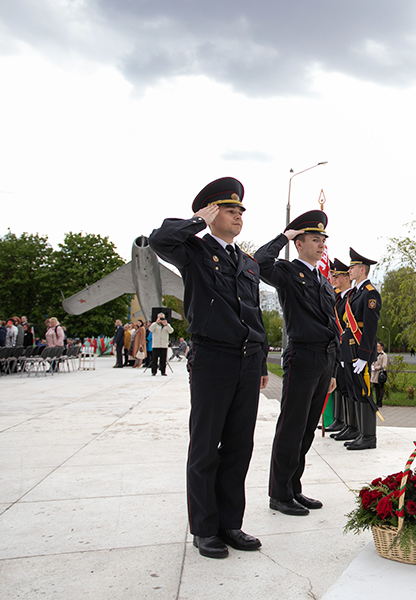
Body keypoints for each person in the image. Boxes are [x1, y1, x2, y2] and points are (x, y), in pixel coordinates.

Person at [149, 176, 269, 559]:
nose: (238, 217)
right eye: (230, 210)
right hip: (212, 358)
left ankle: (230, 524)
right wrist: (198, 220)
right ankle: (204, 529)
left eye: (239, 212)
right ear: (213, 212)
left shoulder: (247, 263)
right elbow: (159, 239)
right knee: (206, 446)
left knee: (239, 445)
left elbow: (255, 315)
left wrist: (262, 361)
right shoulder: (194, 251)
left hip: (247, 361)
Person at [255, 210, 339, 516]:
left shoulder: (323, 279)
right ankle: (279, 494)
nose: (320, 245)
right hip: (302, 355)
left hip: (324, 359)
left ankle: (294, 488)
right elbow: (259, 262)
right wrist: (283, 236)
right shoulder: (288, 272)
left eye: (322, 240)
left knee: (306, 429)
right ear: (299, 243)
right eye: (314, 239)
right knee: (291, 427)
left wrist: (334, 369)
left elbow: (333, 322)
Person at [340, 248, 381, 450]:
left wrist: (365, 356)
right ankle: (360, 433)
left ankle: (369, 437)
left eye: (353, 267)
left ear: (362, 270)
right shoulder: (356, 293)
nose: (350, 270)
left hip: (360, 350)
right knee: (355, 390)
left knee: (364, 391)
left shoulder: (370, 294)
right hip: (350, 348)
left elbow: (371, 328)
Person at [325, 259, 353, 435]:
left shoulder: (353, 297)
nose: (333, 279)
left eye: (336, 276)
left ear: (345, 277)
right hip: (339, 348)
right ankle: (340, 420)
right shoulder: (339, 298)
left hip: (351, 350)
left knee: (351, 389)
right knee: (341, 386)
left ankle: (351, 425)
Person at [371, 341, 388, 407]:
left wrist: (377, 368)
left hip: (380, 373)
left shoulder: (384, 355)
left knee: (380, 387)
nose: (377, 347)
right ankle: (377, 401)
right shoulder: (374, 353)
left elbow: (384, 365)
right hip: (374, 373)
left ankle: (380, 401)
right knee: (376, 387)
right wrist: (372, 366)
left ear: (381, 347)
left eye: (378, 346)